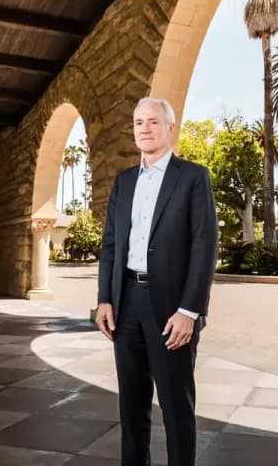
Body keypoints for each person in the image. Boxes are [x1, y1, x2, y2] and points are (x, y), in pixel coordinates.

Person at [95, 96, 218, 466]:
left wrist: (189, 311)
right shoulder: (124, 182)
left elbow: (204, 245)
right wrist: (105, 299)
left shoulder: (194, 177)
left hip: (171, 309)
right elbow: (112, 244)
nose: (144, 129)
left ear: (169, 128)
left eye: (152, 122)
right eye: (138, 123)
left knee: (176, 408)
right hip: (126, 303)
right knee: (131, 408)